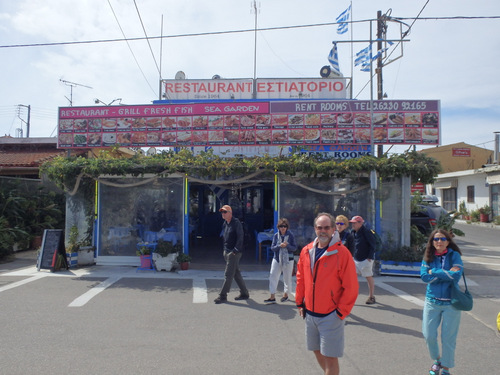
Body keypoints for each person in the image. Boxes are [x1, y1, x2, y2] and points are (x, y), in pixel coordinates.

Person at [296, 213, 359, 375]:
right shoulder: (306, 251)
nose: (322, 231)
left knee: (330, 357)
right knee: (316, 350)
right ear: (315, 229)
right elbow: (301, 278)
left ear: (333, 229)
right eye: (319, 227)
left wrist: (340, 312)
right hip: (310, 314)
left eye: (326, 228)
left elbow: (351, 287)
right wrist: (299, 302)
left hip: (330, 315)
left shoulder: (342, 253)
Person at [421, 229, 463, 375]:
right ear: (432, 242)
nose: (439, 242)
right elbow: (424, 277)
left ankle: (445, 368)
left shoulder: (454, 255)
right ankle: (437, 360)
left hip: (451, 303)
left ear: (448, 241)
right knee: (428, 335)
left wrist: (435, 272)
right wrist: (447, 273)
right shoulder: (428, 256)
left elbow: (456, 275)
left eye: (442, 239)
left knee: (448, 338)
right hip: (432, 302)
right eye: (436, 239)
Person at [214, 205, 250, 304]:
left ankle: (222, 295)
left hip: (234, 253)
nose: (223, 214)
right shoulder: (225, 223)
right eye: (222, 212)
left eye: (225, 212)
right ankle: (244, 293)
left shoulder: (236, 223)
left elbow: (240, 237)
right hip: (227, 251)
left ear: (230, 213)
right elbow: (224, 237)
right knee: (236, 273)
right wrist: (225, 250)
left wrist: (235, 250)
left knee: (228, 274)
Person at [264, 218, 297, 304]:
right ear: (278, 227)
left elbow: (294, 248)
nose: (283, 228)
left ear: (287, 227)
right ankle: (272, 296)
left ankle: (285, 295)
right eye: (281, 226)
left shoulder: (290, 235)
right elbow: (273, 248)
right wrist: (279, 246)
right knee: (273, 276)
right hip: (277, 258)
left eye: (285, 226)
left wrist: (287, 246)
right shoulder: (276, 236)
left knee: (287, 278)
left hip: (288, 259)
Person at [349, 215, 377, 304]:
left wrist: (370, 257)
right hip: (356, 258)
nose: (352, 225)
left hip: (366, 259)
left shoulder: (367, 232)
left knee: (368, 276)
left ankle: (371, 296)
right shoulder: (353, 232)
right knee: (352, 277)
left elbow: (373, 244)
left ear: (360, 223)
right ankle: (350, 296)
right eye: (352, 223)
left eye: (354, 223)